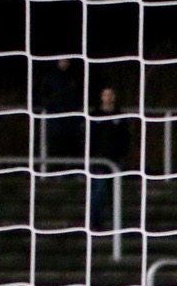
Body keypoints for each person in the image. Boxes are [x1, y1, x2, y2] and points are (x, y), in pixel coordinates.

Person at [88, 87, 130, 232]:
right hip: (99, 160)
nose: (108, 97)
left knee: (115, 194)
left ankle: (116, 224)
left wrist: (123, 154)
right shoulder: (94, 115)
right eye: (105, 94)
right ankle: (95, 223)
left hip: (115, 159)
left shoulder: (120, 115)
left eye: (111, 94)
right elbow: (89, 137)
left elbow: (125, 137)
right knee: (98, 191)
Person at [37, 57, 84, 165]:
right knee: (56, 147)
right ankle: (56, 173)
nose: (64, 63)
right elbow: (41, 96)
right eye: (62, 61)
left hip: (72, 121)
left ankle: (73, 171)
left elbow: (80, 96)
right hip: (55, 121)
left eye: (66, 61)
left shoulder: (75, 78)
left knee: (73, 146)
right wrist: (52, 106)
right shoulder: (50, 78)